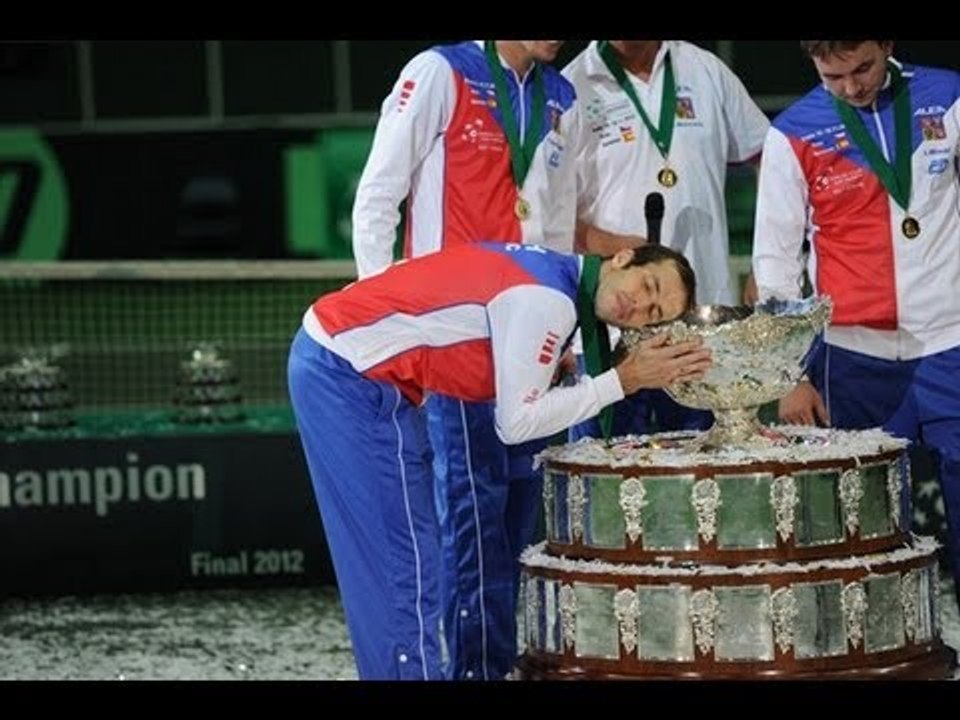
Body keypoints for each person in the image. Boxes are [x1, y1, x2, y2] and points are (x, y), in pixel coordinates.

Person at [288, 241, 712, 680]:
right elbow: (517, 424)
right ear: (623, 257)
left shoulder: (550, 269)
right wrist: (625, 380)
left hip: (342, 358)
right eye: (648, 284)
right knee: (404, 569)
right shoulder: (548, 301)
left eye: (654, 313)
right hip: (352, 374)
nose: (640, 304)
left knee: (397, 566)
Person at [350, 40, 624, 681]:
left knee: (523, 518)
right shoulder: (440, 71)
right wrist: (386, 324)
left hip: (533, 342)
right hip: (456, 340)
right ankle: (477, 672)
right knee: (474, 522)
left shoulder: (562, 96)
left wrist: (571, 343)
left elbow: (557, 230)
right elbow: (377, 199)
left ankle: (509, 663)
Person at [752, 40, 960, 608]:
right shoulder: (793, 133)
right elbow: (774, 266)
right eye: (832, 75)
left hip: (950, 344)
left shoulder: (947, 96)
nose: (851, 86)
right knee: (857, 533)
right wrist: (788, 373)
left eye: (862, 68)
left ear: (887, 46)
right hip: (851, 358)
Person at [562, 40, 769, 439]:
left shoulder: (705, 70)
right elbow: (550, 213)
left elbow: (772, 159)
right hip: (608, 333)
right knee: (601, 478)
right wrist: (620, 247)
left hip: (703, 327)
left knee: (703, 482)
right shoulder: (573, 85)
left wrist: (765, 260)